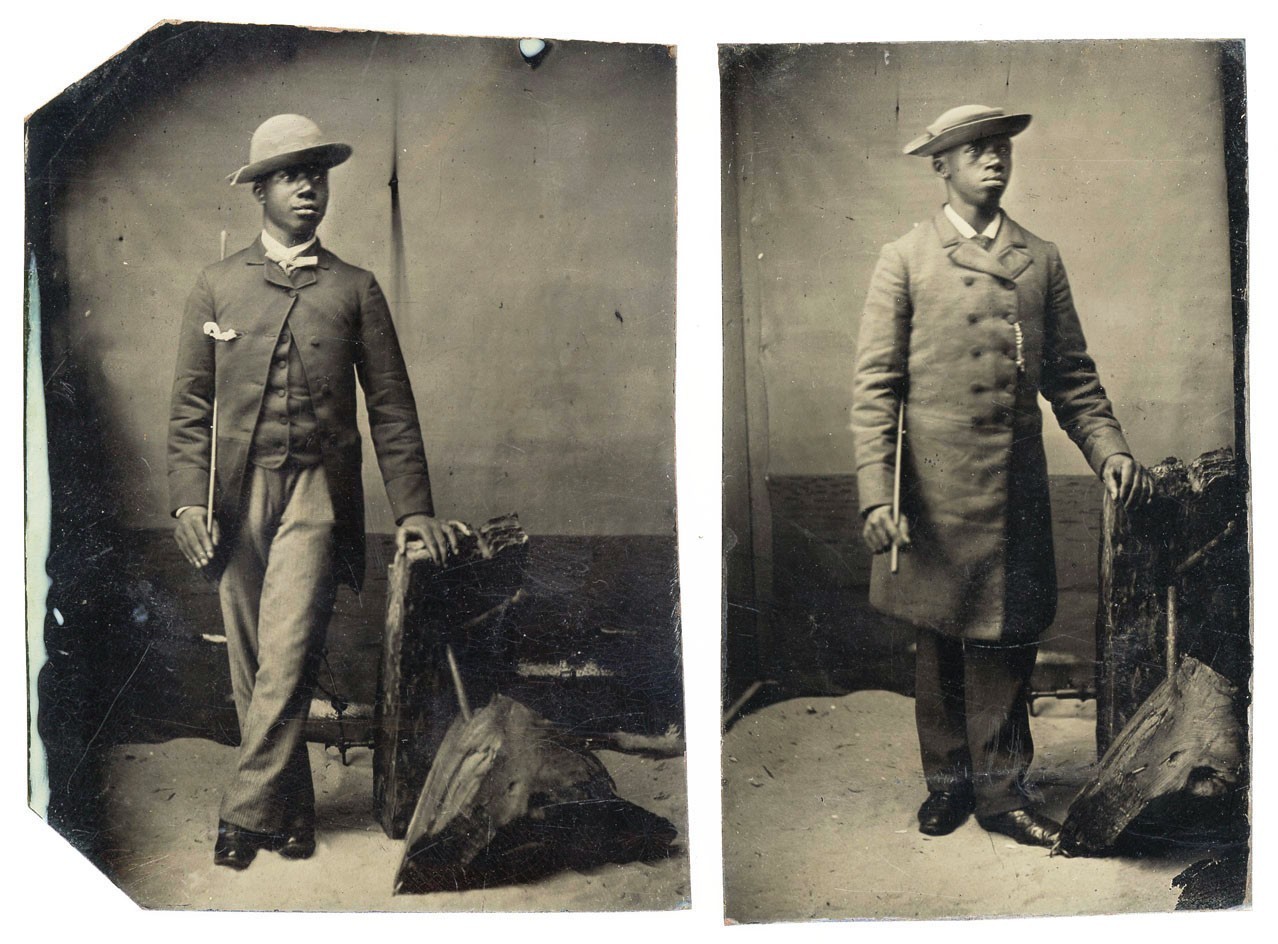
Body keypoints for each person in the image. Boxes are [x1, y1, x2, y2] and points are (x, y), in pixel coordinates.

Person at [850, 104, 1153, 848]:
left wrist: (1108, 449)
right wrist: (876, 498)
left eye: (1001, 148)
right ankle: (948, 786)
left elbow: (1074, 378)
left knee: (1006, 638)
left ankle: (1003, 792)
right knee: (940, 639)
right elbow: (875, 389)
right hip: (932, 486)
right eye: (975, 150)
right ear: (942, 168)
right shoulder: (906, 257)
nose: (994, 159)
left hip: (1014, 490)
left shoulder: (1039, 259)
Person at [168, 114, 459, 870]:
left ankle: (243, 815)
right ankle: (290, 809)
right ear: (259, 190)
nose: (309, 188)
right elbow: (190, 410)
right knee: (253, 661)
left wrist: (414, 508)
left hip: (316, 499)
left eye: (318, 174)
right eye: (292, 175)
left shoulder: (355, 289)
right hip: (232, 498)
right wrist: (184, 504)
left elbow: (391, 406)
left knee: (289, 655)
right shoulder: (217, 285)